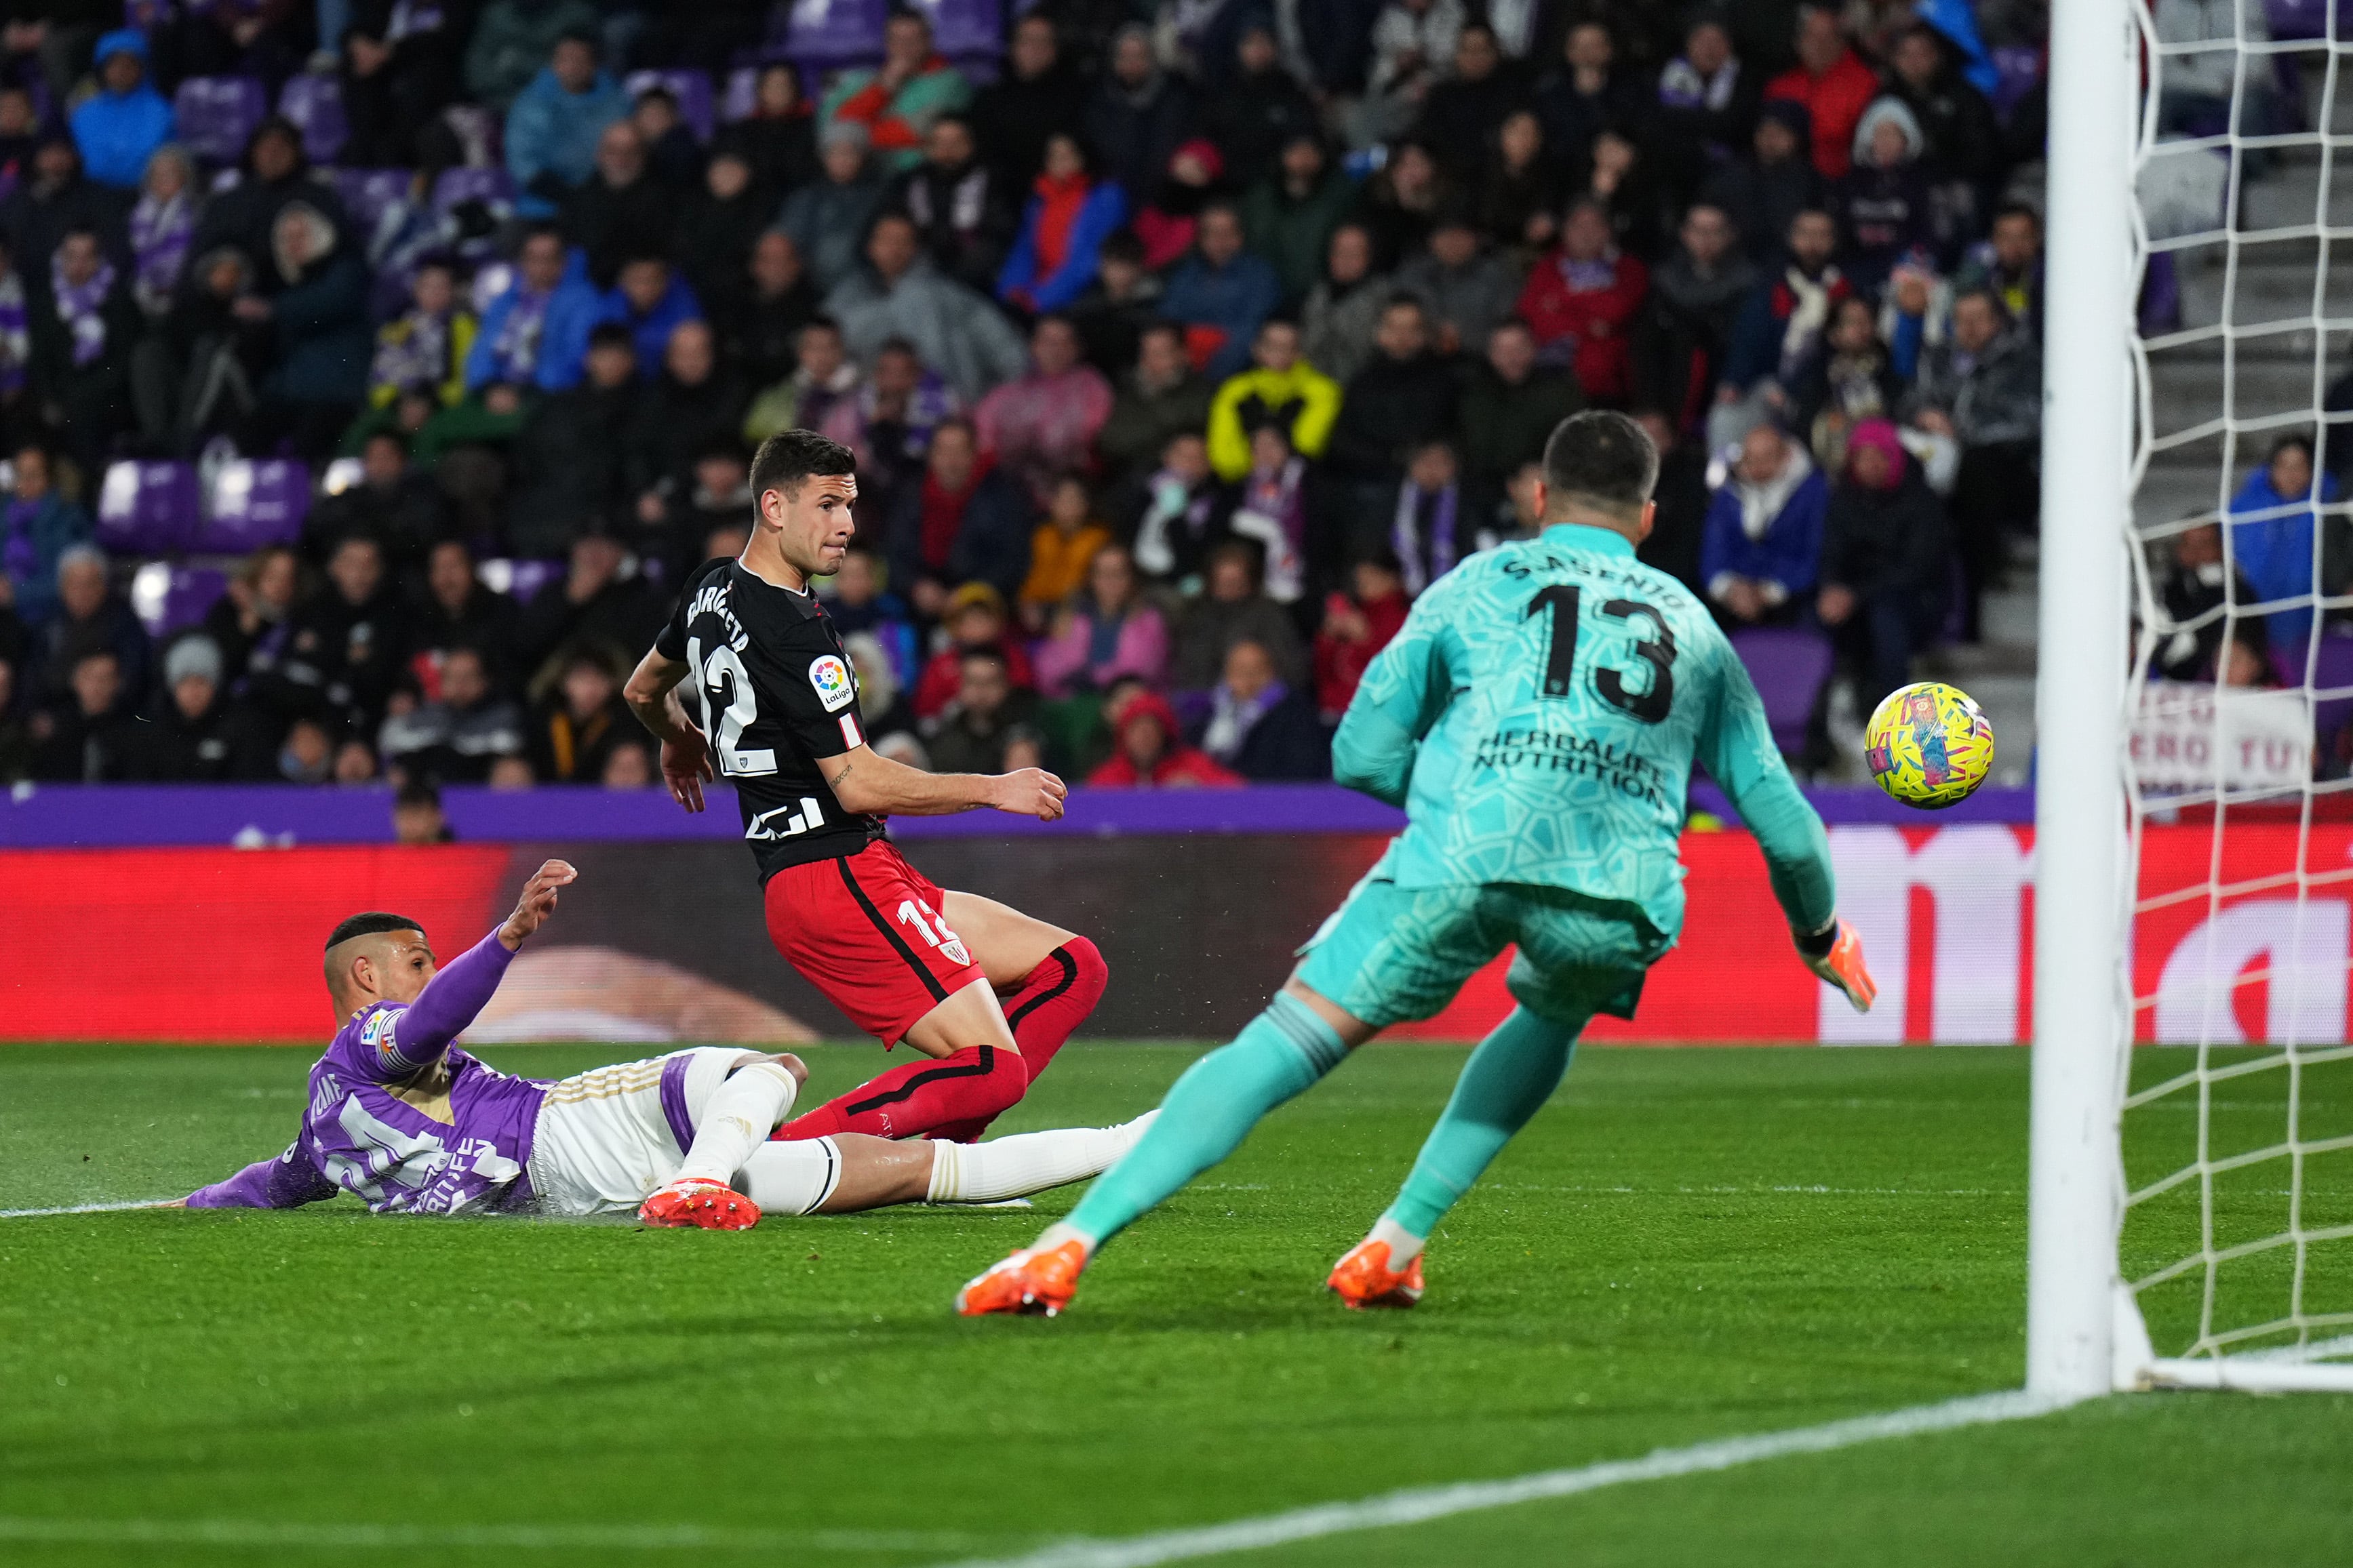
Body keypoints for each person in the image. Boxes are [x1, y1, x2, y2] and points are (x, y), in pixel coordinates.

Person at [957, 411, 1876, 1317]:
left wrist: (1465, 799)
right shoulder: (1695, 628)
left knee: (1284, 1043)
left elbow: (1358, 751)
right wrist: (1820, 936)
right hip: (1616, 887)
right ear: (1646, 517)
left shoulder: (1475, 585)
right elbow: (1785, 825)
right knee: (1552, 1013)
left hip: (1462, 853)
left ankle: (1063, 1247)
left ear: (1539, 497)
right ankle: (1396, 1242)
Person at [622, 430, 1111, 1145]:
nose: (847, 524)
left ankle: (946, 1154)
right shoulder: (799, 635)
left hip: (853, 870)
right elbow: (854, 783)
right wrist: (991, 788)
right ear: (774, 507)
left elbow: (642, 688)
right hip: (832, 876)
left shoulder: (710, 586)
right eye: (826, 504)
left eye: (850, 505)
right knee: (991, 1068)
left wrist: (675, 737)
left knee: (1071, 967)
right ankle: (769, 1154)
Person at [182, 868, 1153, 1226]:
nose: (429, 976)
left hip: (573, 1170)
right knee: (757, 1075)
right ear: (364, 980)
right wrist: (510, 935)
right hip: (569, 1151)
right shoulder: (368, 1041)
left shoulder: (329, 1112)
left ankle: (1137, 1140)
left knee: (892, 1171)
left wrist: (190, 1202)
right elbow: (428, 1025)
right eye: (415, 960)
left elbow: (271, 1182)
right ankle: (703, 1176)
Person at [1815, 418, 1950, 705]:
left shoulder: (1922, 501)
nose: (1871, 465)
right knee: (1812, 616)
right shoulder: (1843, 498)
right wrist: (1831, 588)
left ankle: (1891, 711)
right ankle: (1817, 722)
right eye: (1863, 458)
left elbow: (1918, 568)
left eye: (1880, 457)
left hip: (1913, 599)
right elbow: (1832, 552)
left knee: (1886, 618)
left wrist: (1856, 594)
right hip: (1854, 597)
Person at [825, 213, 1029, 404]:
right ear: (871, 247)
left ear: (915, 248)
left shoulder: (943, 294)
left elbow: (1008, 351)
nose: (894, 249)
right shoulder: (849, 295)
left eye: (902, 242)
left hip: (950, 411)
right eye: (887, 240)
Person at [2223, 433, 2346, 655]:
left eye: (2299, 466)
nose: (2291, 474)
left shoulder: (2330, 505)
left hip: (2314, 619)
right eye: (2283, 465)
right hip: (2255, 616)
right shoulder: (2245, 506)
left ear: (2312, 469)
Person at [1516, 200, 1647, 405]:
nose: (1586, 234)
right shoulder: (1547, 267)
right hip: (1547, 379)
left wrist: (1561, 304)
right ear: (1565, 231)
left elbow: (1614, 310)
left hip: (1607, 384)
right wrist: (1589, 323)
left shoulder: (1629, 269)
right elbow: (1533, 316)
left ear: (1608, 232)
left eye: (1595, 226)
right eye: (1578, 226)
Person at [972, 315, 1112, 506]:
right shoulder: (1009, 389)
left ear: (1076, 349)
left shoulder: (1092, 386)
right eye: (1047, 341)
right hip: (1011, 488)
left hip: (1072, 489)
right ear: (1034, 346)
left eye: (1064, 342)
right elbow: (983, 438)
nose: (1054, 350)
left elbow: (1092, 439)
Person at [1700, 421, 1826, 626]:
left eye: (1766, 460)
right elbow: (1714, 549)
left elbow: (1816, 556)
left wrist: (1768, 592)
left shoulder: (1813, 492)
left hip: (1793, 595)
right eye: (1750, 460)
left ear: (1786, 456)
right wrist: (1729, 588)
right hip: (1737, 594)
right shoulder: (1728, 493)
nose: (1756, 469)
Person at [820, 9, 971, 172]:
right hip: (862, 177)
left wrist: (852, 138)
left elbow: (913, 132)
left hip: (917, 175)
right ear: (887, 44)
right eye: (897, 40)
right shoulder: (863, 81)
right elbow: (834, 126)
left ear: (929, 42)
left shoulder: (950, 83)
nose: (905, 48)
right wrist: (884, 88)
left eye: (913, 40)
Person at [996, 133, 1127, 315]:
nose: (1060, 162)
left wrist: (1039, 299)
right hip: (1036, 291)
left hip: (1081, 292)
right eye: (1054, 156)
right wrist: (1012, 291)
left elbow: (1088, 260)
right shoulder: (1040, 199)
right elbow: (1024, 251)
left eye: (1068, 155)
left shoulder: (1106, 197)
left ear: (1084, 158)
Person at [505, 30, 629, 219]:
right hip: (543, 205)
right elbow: (523, 162)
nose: (571, 67)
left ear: (594, 64)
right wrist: (569, 198)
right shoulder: (532, 102)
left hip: (606, 202)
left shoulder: (618, 103)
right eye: (565, 59)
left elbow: (627, 153)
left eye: (579, 59)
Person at [889, 116, 1017, 298]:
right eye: (939, 143)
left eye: (956, 142)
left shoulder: (993, 182)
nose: (947, 150)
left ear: (971, 145)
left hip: (974, 284)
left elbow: (999, 236)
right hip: (915, 277)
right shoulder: (908, 183)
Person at [1204, 317, 1341, 481]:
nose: (1279, 353)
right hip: (1241, 482)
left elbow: (1308, 446)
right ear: (1256, 349)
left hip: (1299, 482)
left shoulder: (1323, 391)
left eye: (1287, 347)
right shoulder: (1234, 390)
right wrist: (1247, 475)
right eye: (1271, 346)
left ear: (1300, 352)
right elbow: (1224, 448)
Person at [1158, 203, 1283, 382]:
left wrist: (1210, 376)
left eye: (1227, 233)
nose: (1219, 241)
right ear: (1201, 238)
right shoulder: (1185, 274)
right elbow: (1168, 320)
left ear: (1240, 236)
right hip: (1180, 375)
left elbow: (1251, 332)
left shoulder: (1260, 277)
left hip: (1236, 376)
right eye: (1212, 233)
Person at [1034, 542, 1170, 696]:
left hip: (1129, 705)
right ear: (1091, 578)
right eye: (1102, 574)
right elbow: (1049, 670)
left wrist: (1090, 677)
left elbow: (1138, 672)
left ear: (1132, 578)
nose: (1110, 582)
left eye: (1118, 574)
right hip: (1076, 702)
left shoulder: (1149, 621)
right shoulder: (1072, 617)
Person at [1763, 5, 1877, 182]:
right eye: (1811, 37)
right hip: (1781, 177)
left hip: (1839, 179)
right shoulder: (1781, 85)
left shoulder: (1864, 83)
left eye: (1826, 39)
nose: (1818, 46)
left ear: (1841, 43)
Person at [1195, 637, 1328, 780]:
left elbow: (1300, 770)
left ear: (1271, 673)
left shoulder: (1295, 715)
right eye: (1238, 670)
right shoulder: (1208, 711)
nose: (1247, 679)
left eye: (1255, 671)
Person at [68, 28, 172, 191]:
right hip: (92, 196)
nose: (121, 71)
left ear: (142, 69)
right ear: (103, 70)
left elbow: (154, 161)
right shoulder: (85, 113)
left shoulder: (161, 112)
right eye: (113, 64)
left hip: (144, 195)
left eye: (129, 64)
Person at [0, 443, 90, 627]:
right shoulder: (5, 513)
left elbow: (73, 583)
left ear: (50, 478)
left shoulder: (69, 518)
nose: (26, 483)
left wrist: (16, 593)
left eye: (34, 475)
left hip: (54, 616)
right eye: (20, 475)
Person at [1083, 690, 1240, 788]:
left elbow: (1239, 792)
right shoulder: (1107, 778)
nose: (1144, 738)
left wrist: (1200, 791)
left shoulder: (1192, 765)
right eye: (1136, 730)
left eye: (1151, 730)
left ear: (1164, 734)